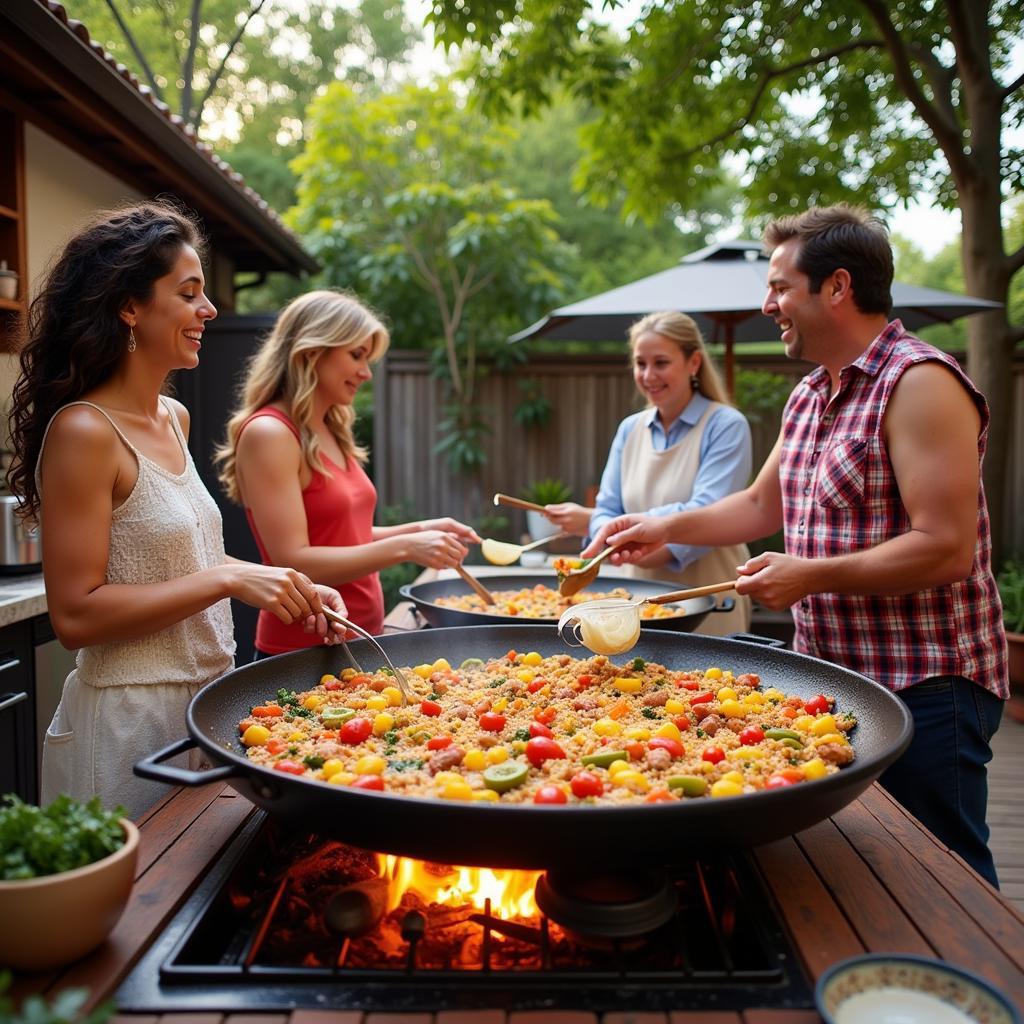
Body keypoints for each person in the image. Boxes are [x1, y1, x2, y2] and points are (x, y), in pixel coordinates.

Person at [585, 204, 1008, 887]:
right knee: (858, 868)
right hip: (836, 677)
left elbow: (946, 548)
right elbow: (758, 506)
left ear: (837, 287)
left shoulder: (921, 382)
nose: (768, 304)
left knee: (947, 875)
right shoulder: (810, 394)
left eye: (781, 287)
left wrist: (809, 576)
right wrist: (660, 526)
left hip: (928, 684)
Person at [6, 202, 347, 819]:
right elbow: (75, 614)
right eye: (189, 293)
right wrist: (228, 578)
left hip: (208, 706)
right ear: (128, 307)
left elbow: (183, 559)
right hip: (127, 726)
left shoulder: (173, 416)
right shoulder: (84, 430)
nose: (208, 309)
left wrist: (283, 585)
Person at [215, 289, 480, 654]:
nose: (366, 373)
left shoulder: (329, 428)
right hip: (302, 649)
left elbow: (341, 534)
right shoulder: (271, 433)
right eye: (356, 355)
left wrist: (420, 530)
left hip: (361, 637)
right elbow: (293, 559)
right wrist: (405, 547)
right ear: (312, 352)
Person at [544, 311, 752, 635]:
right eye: (641, 363)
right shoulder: (630, 429)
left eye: (661, 363)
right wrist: (616, 539)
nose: (648, 374)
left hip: (709, 601)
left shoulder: (726, 425)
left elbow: (709, 513)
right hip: (637, 603)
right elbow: (607, 510)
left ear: (694, 362)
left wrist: (636, 543)